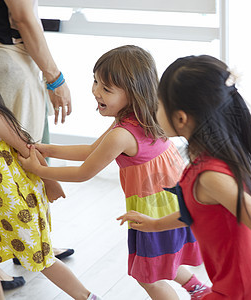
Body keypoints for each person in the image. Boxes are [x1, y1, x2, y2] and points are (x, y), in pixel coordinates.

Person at [116, 55, 251, 299]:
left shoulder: (211, 176)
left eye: (158, 105)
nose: (153, 111)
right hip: (243, 282)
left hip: (245, 288)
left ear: (181, 118)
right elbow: (199, 212)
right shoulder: (208, 162)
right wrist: (155, 224)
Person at [18, 45, 211, 300]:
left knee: (149, 278)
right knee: (165, 257)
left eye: (106, 88)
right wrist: (47, 148)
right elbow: (91, 150)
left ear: (133, 93)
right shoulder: (143, 116)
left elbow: (84, 172)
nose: (96, 91)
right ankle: (198, 289)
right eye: (96, 81)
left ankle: (195, 290)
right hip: (173, 201)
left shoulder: (122, 134)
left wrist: (38, 169)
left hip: (151, 210)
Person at [0, 14, 101, 300]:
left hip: (12, 201)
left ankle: (86, 296)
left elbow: (27, 146)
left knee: (39, 257)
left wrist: (49, 181)